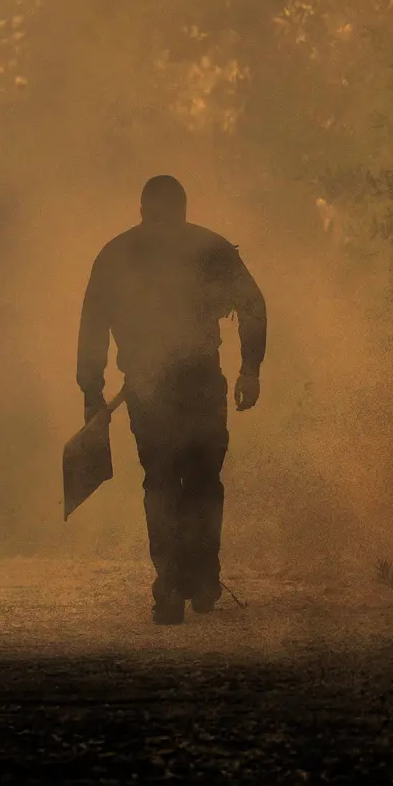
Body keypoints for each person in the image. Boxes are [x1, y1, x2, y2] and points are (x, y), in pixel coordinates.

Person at [76, 175, 266, 624]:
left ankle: (176, 583)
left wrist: (92, 392)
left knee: (164, 480)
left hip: (156, 388)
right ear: (181, 208)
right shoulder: (209, 248)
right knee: (195, 480)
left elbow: (92, 325)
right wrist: (250, 369)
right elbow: (253, 306)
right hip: (188, 383)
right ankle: (193, 579)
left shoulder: (119, 253)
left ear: (143, 209)